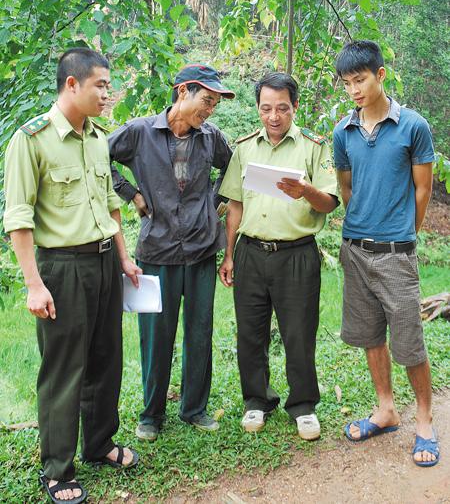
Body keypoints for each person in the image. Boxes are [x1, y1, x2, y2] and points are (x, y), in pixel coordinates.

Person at [4, 48, 142, 504]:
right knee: (64, 369)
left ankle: (99, 444)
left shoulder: (97, 138)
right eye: (101, 85)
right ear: (72, 85)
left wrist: (122, 258)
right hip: (61, 268)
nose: (107, 94)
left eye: (107, 85)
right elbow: (19, 220)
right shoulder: (31, 140)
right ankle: (57, 468)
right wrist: (33, 283)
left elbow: (111, 206)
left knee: (106, 359)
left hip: (104, 262)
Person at [108, 64, 235, 442]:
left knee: (199, 332)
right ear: (183, 92)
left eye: (214, 105)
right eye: (206, 101)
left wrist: (213, 204)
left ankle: (194, 408)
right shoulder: (139, 132)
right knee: (155, 334)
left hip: (200, 249)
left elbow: (233, 171)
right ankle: (151, 414)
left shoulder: (211, 137)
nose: (209, 110)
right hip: (157, 249)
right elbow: (97, 160)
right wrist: (130, 193)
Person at [333, 40, 439, 467]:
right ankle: (386, 409)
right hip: (355, 249)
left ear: (380, 75)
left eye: (360, 80)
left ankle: (426, 422)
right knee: (370, 335)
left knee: (409, 341)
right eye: (347, 83)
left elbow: (423, 189)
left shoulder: (413, 126)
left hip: (397, 253)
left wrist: (400, 235)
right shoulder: (344, 131)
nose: (354, 90)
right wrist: (363, 227)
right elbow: (346, 189)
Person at [218, 72, 339, 439]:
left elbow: (330, 202)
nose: (274, 116)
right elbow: (235, 204)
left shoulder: (314, 148)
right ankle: (257, 401)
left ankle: (303, 406)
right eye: (266, 108)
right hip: (251, 252)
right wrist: (229, 254)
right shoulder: (244, 148)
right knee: (250, 333)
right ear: (257, 108)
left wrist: (305, 190)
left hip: (297, 254)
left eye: (282, 108)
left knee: (299, 333)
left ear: (295, 107)